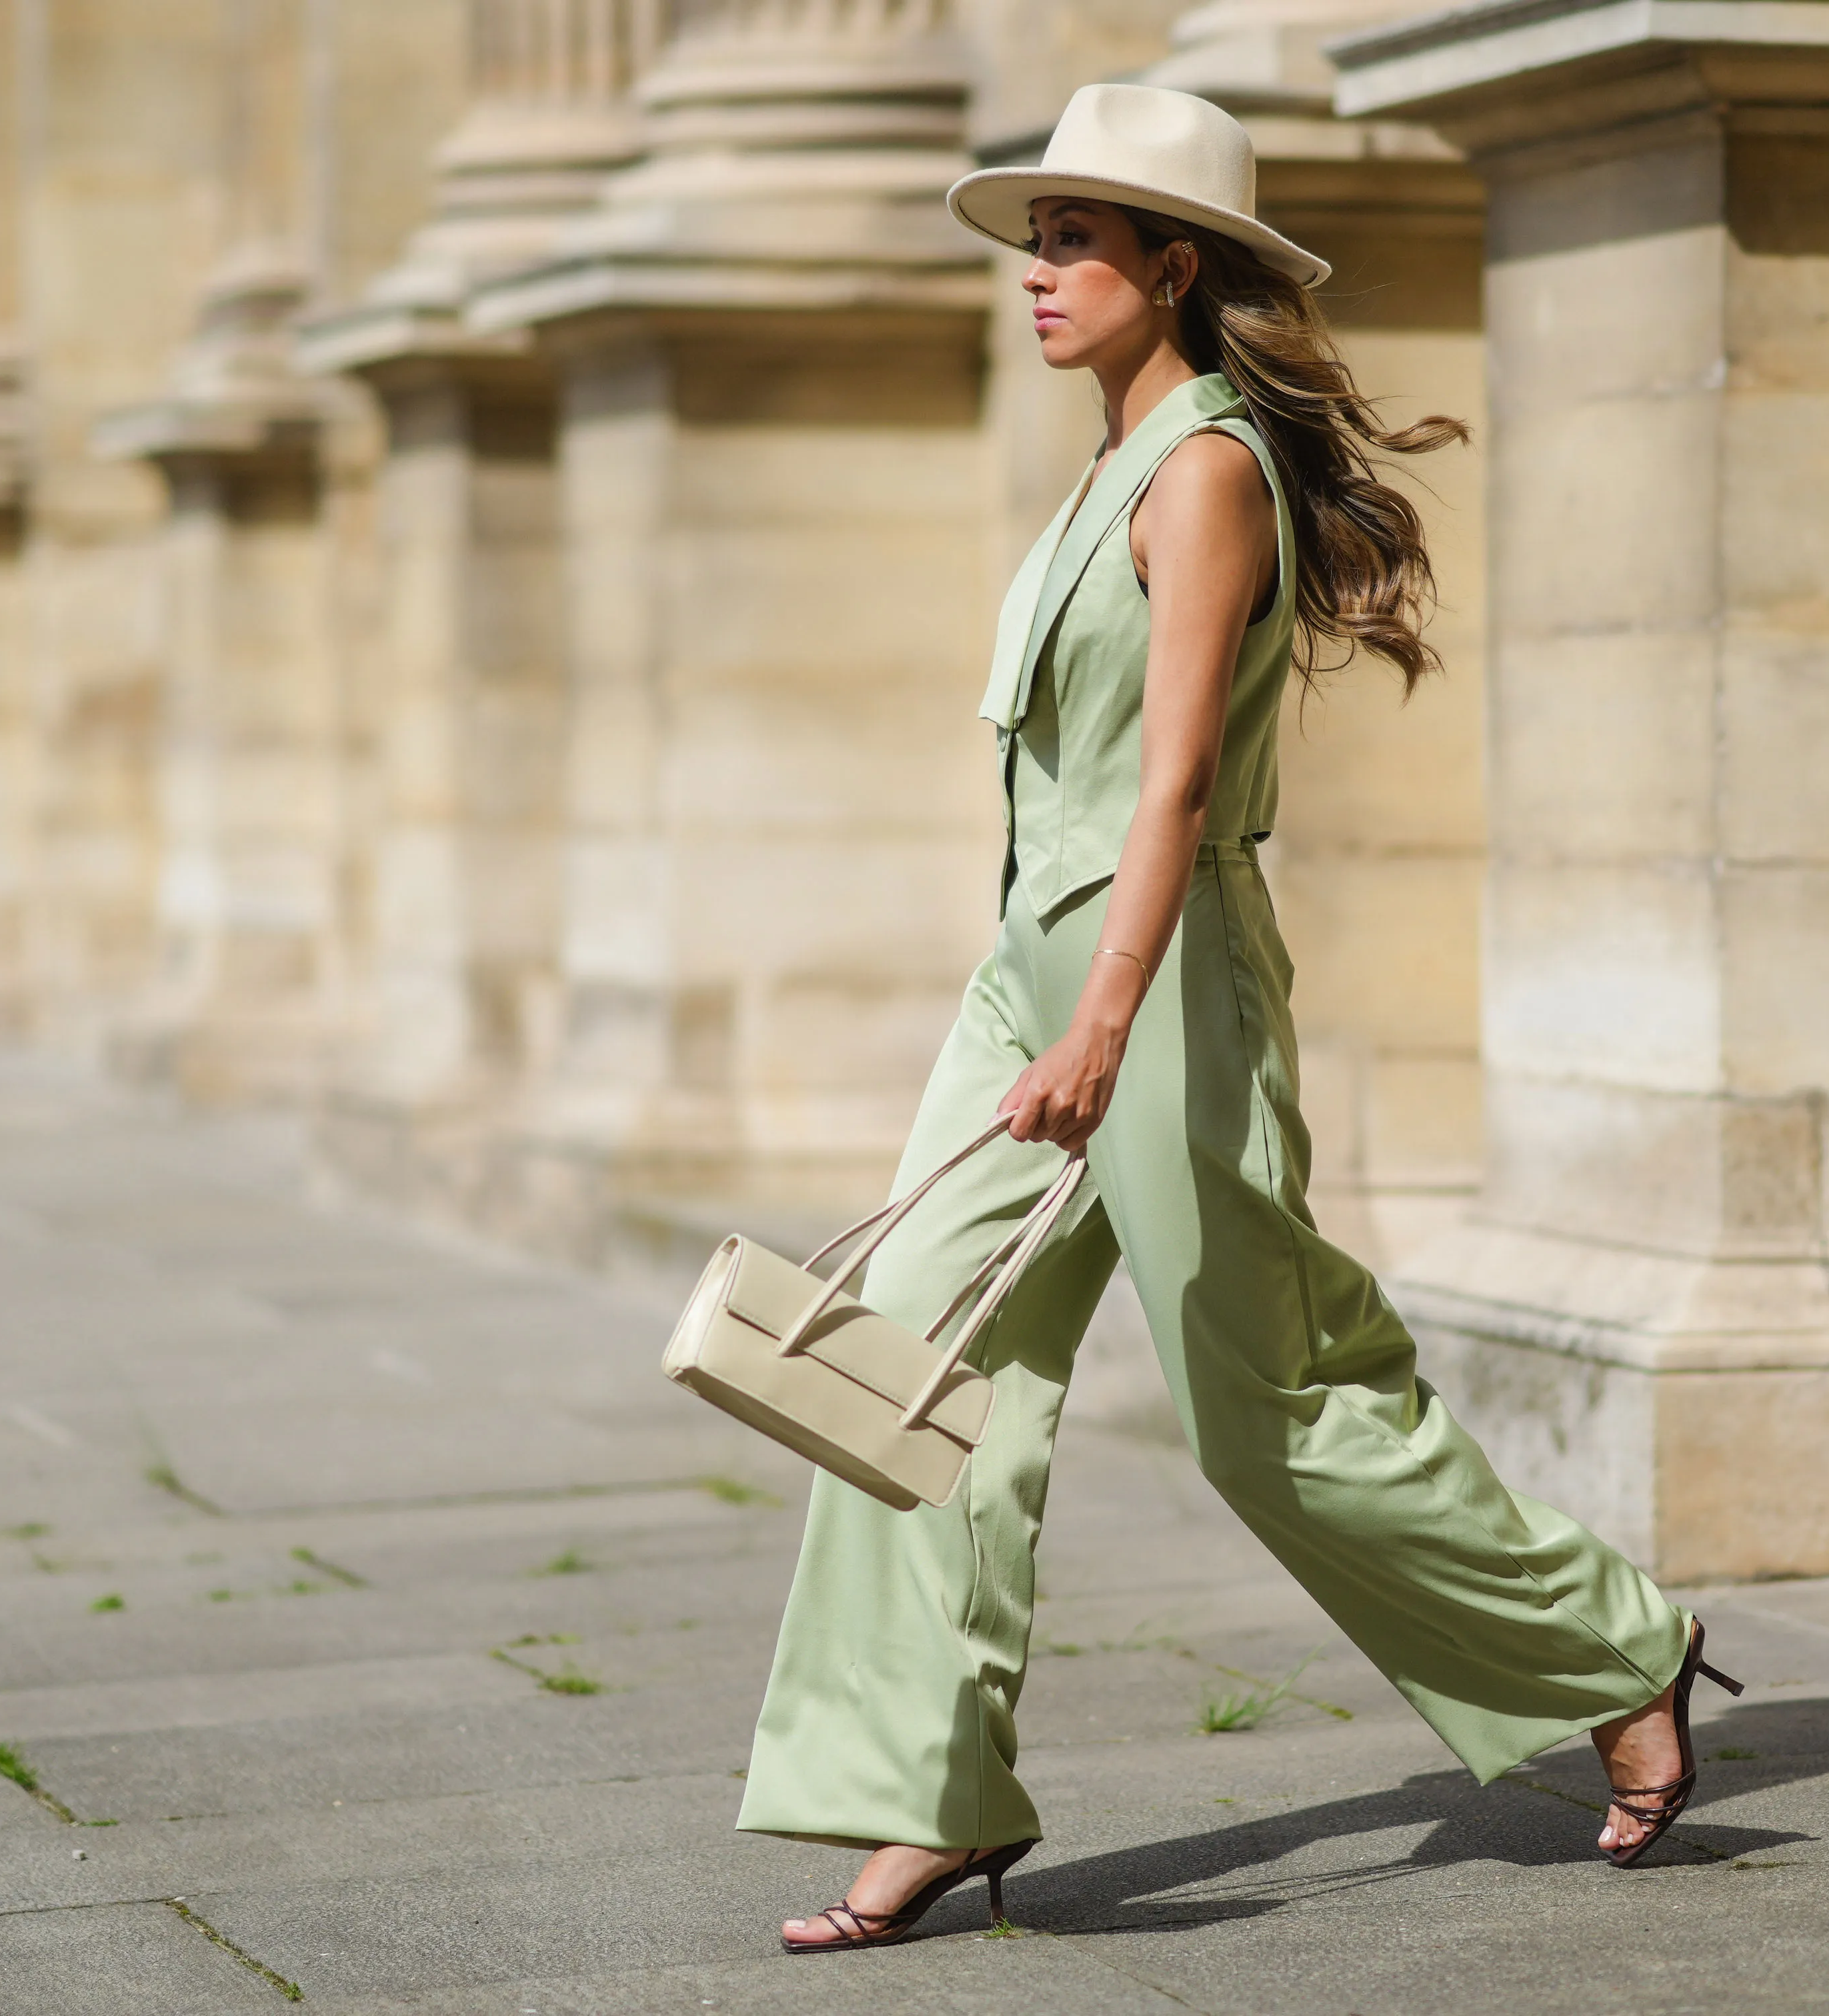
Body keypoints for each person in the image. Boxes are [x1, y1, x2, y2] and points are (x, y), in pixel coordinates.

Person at [745, 82, 1740, 1954]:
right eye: (1034, 243)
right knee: (896, 1363)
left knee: (1262, 1405)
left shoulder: (1204, 469)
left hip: (1162, 976)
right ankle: (922, 1797)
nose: (1036, 277)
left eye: (1074, 244)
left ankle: (1619, 1651)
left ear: (1171, 268)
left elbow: (1178, 779)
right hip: (1026, 969)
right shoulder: (1103, 467)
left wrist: (1107, 1019)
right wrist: (1039, 1000)